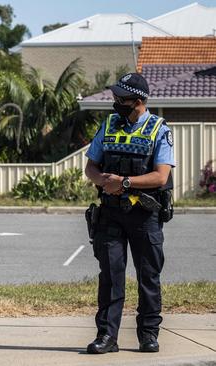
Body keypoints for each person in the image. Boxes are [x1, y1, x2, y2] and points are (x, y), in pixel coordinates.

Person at [84, 73, 175, 354]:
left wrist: (123, 182)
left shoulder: (160, 130)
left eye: (119, 100)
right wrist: (103, 181)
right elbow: (91, 168)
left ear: (137, 101)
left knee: (148, 276)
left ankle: (148, 335)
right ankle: (107, 337)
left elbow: (161, 177)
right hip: (111, 213)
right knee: (110, 275)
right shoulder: (109, 124)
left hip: (144, 215)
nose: (115, 103)